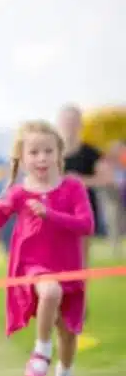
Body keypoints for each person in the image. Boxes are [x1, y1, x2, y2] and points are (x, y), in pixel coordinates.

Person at [0, 120, 93, 376]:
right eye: (35, 152)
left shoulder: (72, 188)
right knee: (50, 291)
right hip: (32, 266)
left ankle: (64, 374)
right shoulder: (20, 192)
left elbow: (86, 225)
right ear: (23, 159)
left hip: (69, 266)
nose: (42, 158)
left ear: (59, 155)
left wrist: (50, 215)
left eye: (48, 151)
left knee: (69, 331)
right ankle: (41, 351)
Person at [58, 104, 112, 261]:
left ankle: (79, 285)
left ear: (80, 124)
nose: (69, 126)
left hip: (82, 212)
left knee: (80, 259)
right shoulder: (50, 153)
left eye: (73, 122)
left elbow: (107, 179)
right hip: (55, 210)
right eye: (66, 122)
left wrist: (81, 181)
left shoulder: (91, 153)